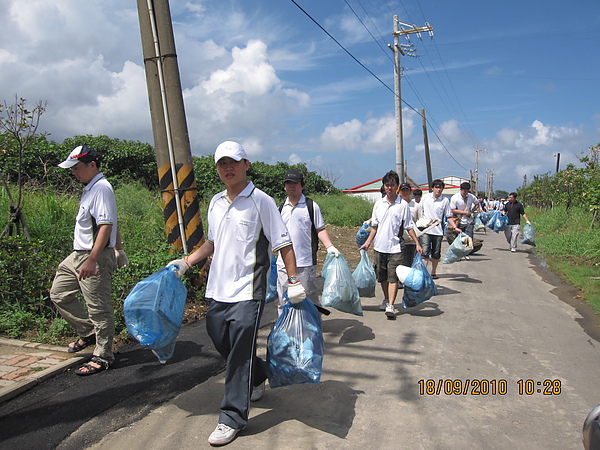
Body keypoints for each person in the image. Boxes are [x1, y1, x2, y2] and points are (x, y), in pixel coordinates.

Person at [166, 141, 305, 446]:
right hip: (218, 290)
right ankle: (258, 374)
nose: (228, 168)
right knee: (221, 341)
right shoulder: (216, 202)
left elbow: (283, 243)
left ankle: (232, 417)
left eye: (234, 162)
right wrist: (187, 262)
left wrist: (293, 280)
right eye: (222, 164)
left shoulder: (261, 201)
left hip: (248, 290)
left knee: (239, 355)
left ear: (246, 164)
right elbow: (212, 243)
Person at [50, 145, 128, 376]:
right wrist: (119, 248)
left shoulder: (102, 188)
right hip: (78, 254)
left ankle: (103, 356)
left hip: (93, 256)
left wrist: (94, 259)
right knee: (59, 293)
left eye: (77, 167)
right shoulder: (90, 189)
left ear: (92, 165)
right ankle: (88, 333)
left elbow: (105, 226)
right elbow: (109, 221)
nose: (74, 172)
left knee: (99, 308)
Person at [276, 169, 339, 316]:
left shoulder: (311, 206)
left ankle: (311, 327)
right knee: (283, 299)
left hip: (305, 262)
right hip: (283, 264)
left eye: (295, 183)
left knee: (307, 298)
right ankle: (285, 329)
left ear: (302, 186)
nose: (291, 186)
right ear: (284, 187)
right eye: (288, 183)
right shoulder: (280, 209)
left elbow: (320, 229)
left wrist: (329, 246)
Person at [359, 171, 422, 319]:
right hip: (379, 247)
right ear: (384, 186)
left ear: (397, 186)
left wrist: (417, 243)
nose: (389, 188)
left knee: (393, 276)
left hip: (396, 247)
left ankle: (391, 305)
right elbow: (374, 226)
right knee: (383, 277)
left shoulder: (403, 205)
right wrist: (367, 243)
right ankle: (387, 298)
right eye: (387, 185)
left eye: (392, 185)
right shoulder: (378, 204)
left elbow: (409, 226)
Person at [419, 179, 455, 279]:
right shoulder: (426, 198)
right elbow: (419, 210)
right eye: (437, 187)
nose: (438, 190)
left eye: (440, 188)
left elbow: (448, 216)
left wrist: (455, 227)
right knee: (425, 253)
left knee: (436, 253)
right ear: (432, 188)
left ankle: (433, 272)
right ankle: (424, 273)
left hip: (438, 231)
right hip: (426, 229)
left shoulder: (445, 201)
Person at [399, 183, 422, 267]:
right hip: (398, 239)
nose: (404, 192)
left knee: (408, 263)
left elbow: (420, 221)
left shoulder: (416, 206)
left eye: (406, 190)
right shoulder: (396, 204)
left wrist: (417, 242)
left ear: (410, 192)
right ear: (399, 192)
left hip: (410, 240)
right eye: (402, 190)